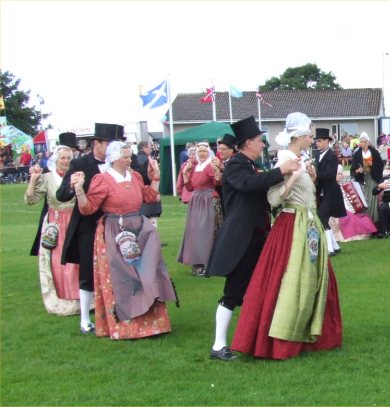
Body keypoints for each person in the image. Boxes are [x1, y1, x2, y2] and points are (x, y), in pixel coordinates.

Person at [231, 112, 342, 359]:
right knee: (291, 280)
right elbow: (273, 199)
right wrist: (292, 177)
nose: (312, 140)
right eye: (310, 136)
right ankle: (283, 337)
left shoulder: (298, 159)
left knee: (312, 279)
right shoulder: (284, 159)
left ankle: (310, 332)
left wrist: (309, 177)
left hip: (308, 224)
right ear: (299, 136)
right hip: (292, 225)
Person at [205, 116, 300, 361]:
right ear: (247, 142)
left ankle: (255, 338)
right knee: (233, 292)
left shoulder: (248, 165)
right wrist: (281, 171)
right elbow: (249, 185)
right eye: (259, 140)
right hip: (241, 240)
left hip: (257, 237)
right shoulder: (236, 165)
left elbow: (262, 186)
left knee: (257, 289)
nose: (262, 145)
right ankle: (218, 346)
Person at [70, 140, 177, 339]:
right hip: (115, 231)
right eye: (126, 156)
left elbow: (150, 197)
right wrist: (79, 189)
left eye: (130, 156)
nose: (130, 159)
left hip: (139, 229)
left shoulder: (135, 176)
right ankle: (127, 326)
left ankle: (151, 322)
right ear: (115, 159)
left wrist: (156, 178)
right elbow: (88, 208)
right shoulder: (103, 180)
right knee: (123, 276)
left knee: (148, 271)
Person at [57, 123, 122, 333]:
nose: (114, 150)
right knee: (87, 270)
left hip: (116, 225)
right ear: (97, 144)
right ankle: (85, 319)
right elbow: (62, 195)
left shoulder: (119, 164)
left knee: (119, 269)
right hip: (88, 226)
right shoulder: (79, 164)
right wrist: (72, 185)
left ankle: (119, 313)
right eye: (109, 145)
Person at [24, 142, 81, 315]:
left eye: (68, 158)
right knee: (56, 263)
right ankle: (61, 300)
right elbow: (30, 200)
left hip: (74, 222)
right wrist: (33, 180)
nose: (65, 161)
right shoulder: (47, 178)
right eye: (62, 158)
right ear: (55, 160)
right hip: (55, 225)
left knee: (75, 262)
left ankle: (81, 298)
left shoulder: (76, 176)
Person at [177, 141, 223, 277]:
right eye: (200, 151)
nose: (202, 154)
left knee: (207, 232)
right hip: (196, 200)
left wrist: (217, 172)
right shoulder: (194, 166)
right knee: (195, 232)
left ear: (208, 152)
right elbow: (190, 187)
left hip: (209, 200)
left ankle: (209, 263)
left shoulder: (210, 166)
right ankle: (197, 263)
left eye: (204, 151)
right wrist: (185, 174)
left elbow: (217, 183)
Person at [313, 127, 348, 256]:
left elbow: (330, 175)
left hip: (331, 193)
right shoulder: (317, 155)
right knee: (323, 218)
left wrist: (315, 174)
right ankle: (334, 246)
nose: (318, 143)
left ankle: (329, 248)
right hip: (323, 192)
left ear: (327, 141)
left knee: (321, 218)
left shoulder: (331, 156)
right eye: (317, 141)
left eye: (320, 141)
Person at [350, 132, 385, 231]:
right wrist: (358, 170)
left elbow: (380, 165)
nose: (363, 143)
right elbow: (352, 170)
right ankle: (367, 225)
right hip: (363, 180)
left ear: (368, 142)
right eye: (362, 142)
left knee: (373, 201)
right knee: (365, 202)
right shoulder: (357, 154)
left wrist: (372, 165)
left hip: (373, 179)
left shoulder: (374, 152)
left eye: (365, 142)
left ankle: (375, 224)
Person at [131, 141, 163, 227]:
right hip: (149, 191)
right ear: (144, 147)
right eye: (150, 147)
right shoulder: (148, 160)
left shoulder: (132, 160)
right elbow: (152, 177)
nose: (152, 149)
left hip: (135, 193)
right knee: (152, 221)